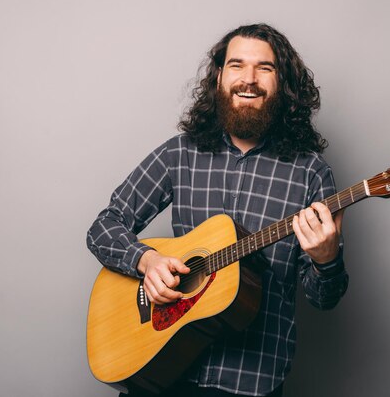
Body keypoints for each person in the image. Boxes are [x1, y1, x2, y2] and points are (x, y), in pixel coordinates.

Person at [87, 23, 349, 397]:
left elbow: (324, 298)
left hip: (247, 382)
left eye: (265, 68)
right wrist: (146, 261)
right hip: (159, 369)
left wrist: (327, 260)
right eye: (236, 65)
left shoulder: (311, 174)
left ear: (284, 84)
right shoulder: (181, 153)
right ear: (220, 77)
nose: (249, 79)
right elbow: (104, 226)